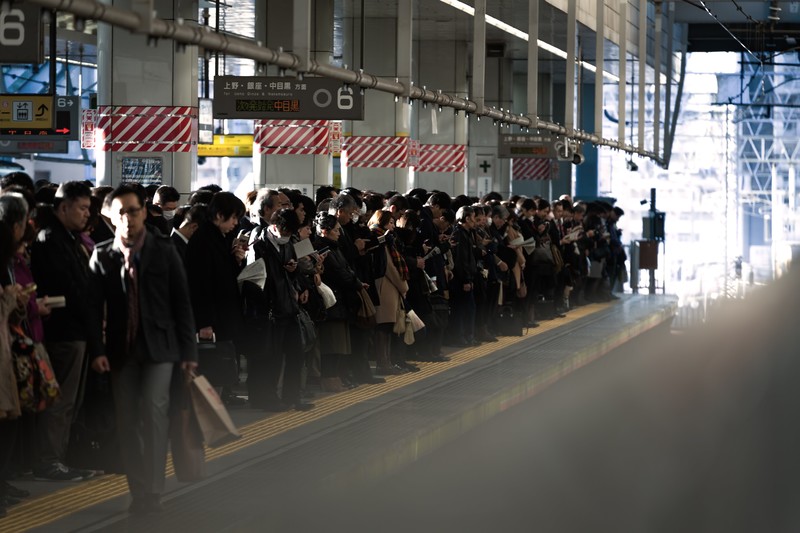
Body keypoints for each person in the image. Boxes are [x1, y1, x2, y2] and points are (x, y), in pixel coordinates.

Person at [87, 184, 198, 515]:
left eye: (133, 211)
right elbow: (92, 309)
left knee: (153, 412)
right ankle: (139, 491)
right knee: (128, 421)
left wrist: (189, 353)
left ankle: (153, 491)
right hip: (121, 351)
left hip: (161, 349)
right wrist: (97, 351)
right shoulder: (102, 255)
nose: (127, 218)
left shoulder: (164, 250)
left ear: (143, 212)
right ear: (110, 216)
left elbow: (182, 303)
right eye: (120, 212)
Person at [30, 181, 95, 482]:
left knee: (71, 401)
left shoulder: (68, 237)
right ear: (63, 206)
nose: (86, 214)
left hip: (76, 329)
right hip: (63, 331)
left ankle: (60, 457)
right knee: (60, 401)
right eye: (82, 207)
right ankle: (49, 460)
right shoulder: (51, 239)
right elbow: (66, 285)